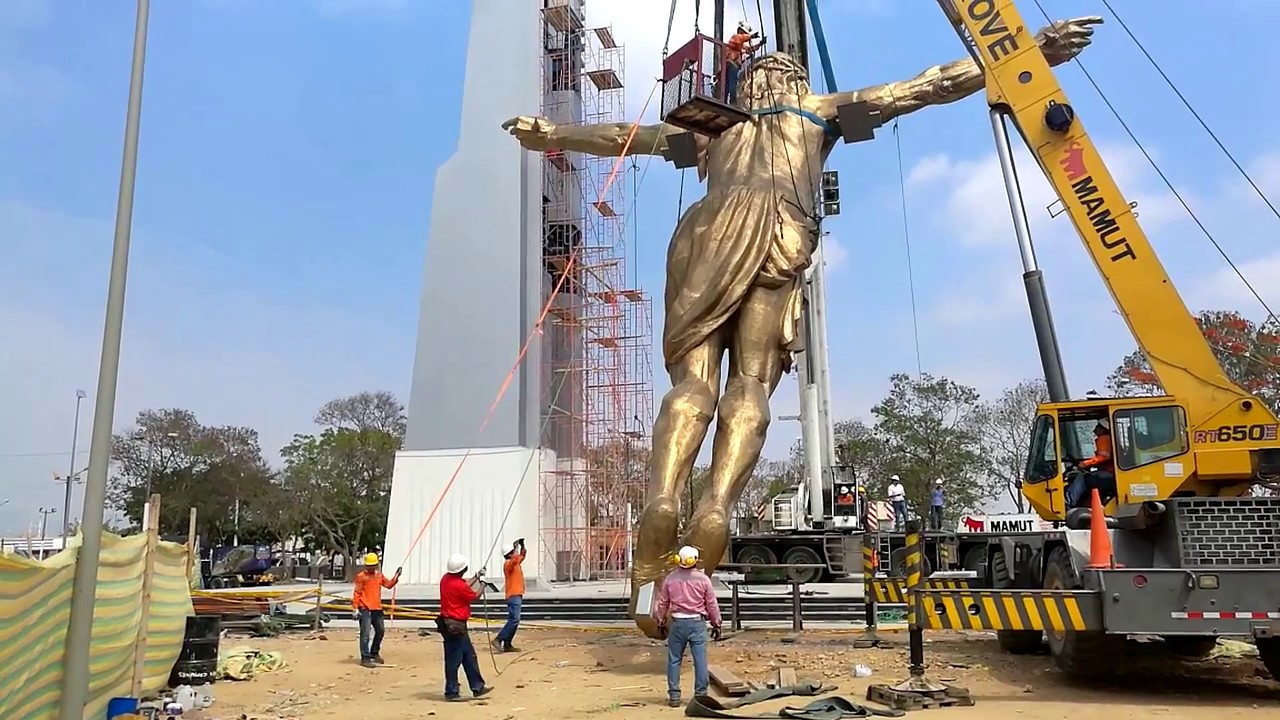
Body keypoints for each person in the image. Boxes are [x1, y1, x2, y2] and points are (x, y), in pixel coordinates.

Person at [502, 14, 1102, 639]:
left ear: (746, 85)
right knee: (751, 386)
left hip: (705, 234)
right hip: (779, 232)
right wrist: (1024, 54)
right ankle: (714, 506)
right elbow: (927, 85)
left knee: (692, 384)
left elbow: (627, 137)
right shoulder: (819, 110)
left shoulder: (714, 129)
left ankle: (661, 501)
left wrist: (551, 133)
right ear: (791, 79)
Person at [654, 546, 722, 708]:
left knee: (674, 660)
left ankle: (674, 696)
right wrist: (716, 623)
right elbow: (711, 604)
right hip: (697, 624)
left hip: (677, 624)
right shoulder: (703, 580)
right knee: (700, 660)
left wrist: (660, 620)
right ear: (695, 561)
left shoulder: (670, 579)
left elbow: (663, 602)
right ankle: (700, 695)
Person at [436, 553, 493, 701]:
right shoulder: (459, 585)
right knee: (454, 659)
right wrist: (483, 584)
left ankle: (477, 686)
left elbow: (463, 586)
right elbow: (475, 596)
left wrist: (475, 577)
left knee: (469, 656)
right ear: (463, 569)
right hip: (455, 626)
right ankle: (451, 692)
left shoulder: (446, 579)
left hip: (449, 623)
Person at [352, 552, 400, 668]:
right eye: (369, 565)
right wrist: (355, 608)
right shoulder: (361, 576)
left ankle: (374, 653)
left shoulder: (379, 576)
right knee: (365, 634)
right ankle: (365, 658)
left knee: (380, 631)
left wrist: (396, 576)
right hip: (365, 608)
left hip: (376, 608)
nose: (371, 568)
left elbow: (388, 585)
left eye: (373, 565)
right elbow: (357, 592)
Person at [1066, 421, 1115, 508]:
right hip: (1110, 473)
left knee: (1082, 477)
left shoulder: (1104, 439)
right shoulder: (1108, 438)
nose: (1094, 429)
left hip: (1109, 474)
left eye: (1098, 426)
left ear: (1102, 428)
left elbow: (1104, 456)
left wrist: (1085, 464)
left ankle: (1069, 501)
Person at [494, 538, 526, 653]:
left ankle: (507, 644)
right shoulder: (508, 564)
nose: (515, 553)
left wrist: (522, 546)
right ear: (509, 554)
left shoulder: (515, 562)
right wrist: (516, 547)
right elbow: (515, 560)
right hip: (513, 595)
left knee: (514, 621)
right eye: (513, 551)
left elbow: (522, 555)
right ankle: (499, 639)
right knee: (514, 620)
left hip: (516, 594)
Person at [723, 21, 762, 103]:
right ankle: (732, 100)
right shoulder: (735, 38)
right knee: (732, 82)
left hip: (731, 64)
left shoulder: (739, 45)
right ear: (741, 31)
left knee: (728, 83)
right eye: (744, 33)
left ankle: (725, 100)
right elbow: (740, 38)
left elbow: (749, 50)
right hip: (732, 63)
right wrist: (751, 36)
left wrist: (760, 44)